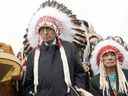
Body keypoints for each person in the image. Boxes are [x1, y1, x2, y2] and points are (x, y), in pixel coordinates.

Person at [22, 1, 93, 96]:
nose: (46, 33)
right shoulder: (33, 54)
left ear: (56, 31)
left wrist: (76, 91)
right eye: (42, 30)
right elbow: (28, 82)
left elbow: (80, 73)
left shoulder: (70, 48)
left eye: (49, 29)